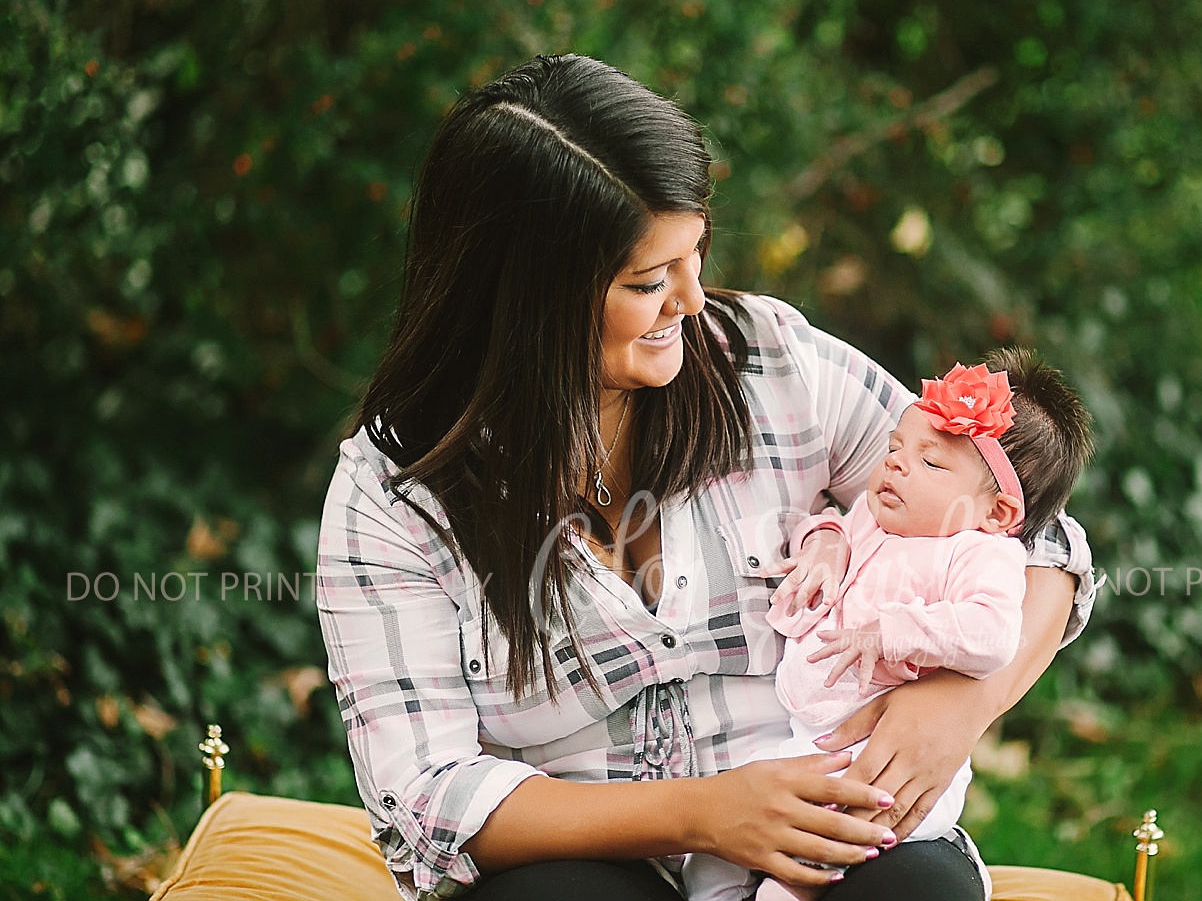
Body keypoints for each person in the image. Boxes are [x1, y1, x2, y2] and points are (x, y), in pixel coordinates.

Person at [316, 53, 1098, 901]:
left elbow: (1032, 537)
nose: (691, 300)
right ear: (526, 299)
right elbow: (430, 795)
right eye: (648, 281)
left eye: (693, 255)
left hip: (822, 811)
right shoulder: (396, 495)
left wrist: (958, 707)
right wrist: (707, 814)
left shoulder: (766, 360)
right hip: (588, 856)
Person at [682, 356, 1093, 901]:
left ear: (996, 513)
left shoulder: (979, 554)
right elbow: (834, 524)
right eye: (896, 448)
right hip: (810, 735)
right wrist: (823, 546)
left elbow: (992, 634)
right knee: (716, 853)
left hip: (888, 761)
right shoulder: (881, 517)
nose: (897, 466)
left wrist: (891, 632)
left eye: (932, 463)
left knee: (810, 852)